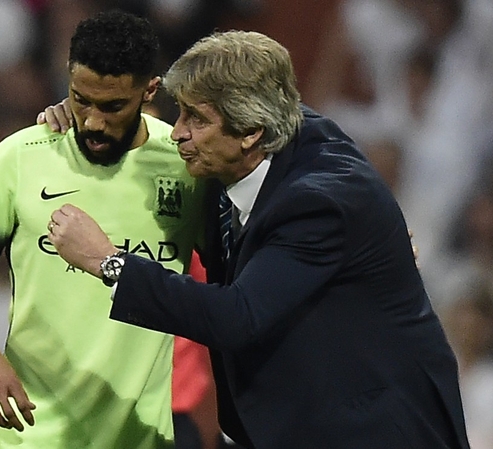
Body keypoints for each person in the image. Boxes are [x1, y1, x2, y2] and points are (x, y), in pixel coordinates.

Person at [46, 30, 471, 448]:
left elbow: (238, 315)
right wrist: (81, 116)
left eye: (196, 118)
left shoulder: (320, 202)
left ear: (250, 131)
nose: (178, 133)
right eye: (181, 113)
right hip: (308, 417)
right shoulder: (265, 137)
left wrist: (109, 262)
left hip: (375, 430)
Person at [0, 10, 205, 448]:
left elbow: (230, 296)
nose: (93, 121)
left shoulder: (187, 169)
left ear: (150, 90)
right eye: (81, 99)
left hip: (139, 438)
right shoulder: (19, 158)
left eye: (113, 106)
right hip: (27, 437)